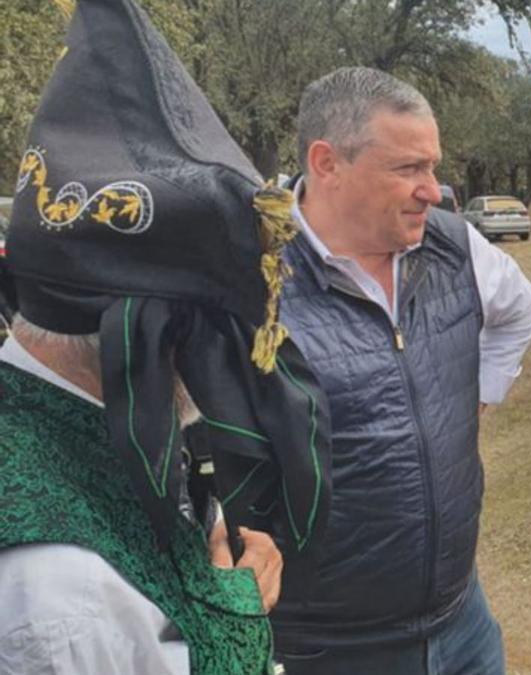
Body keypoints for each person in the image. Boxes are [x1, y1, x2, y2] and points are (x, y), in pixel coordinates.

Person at [0, 0, 334, 673]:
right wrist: (235, 618)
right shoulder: (64, 596)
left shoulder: (79, 423)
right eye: (230, 342)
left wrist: (203, 538)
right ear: (159, 343)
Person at [270, 67, 531, 675]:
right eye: (408, 169)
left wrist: (479, 396)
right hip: (331, 652)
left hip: (463, 622)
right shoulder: (251, 276)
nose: (433, 190)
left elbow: (522, 309)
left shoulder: (453, 245)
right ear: (327, 163)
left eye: (433, 167)